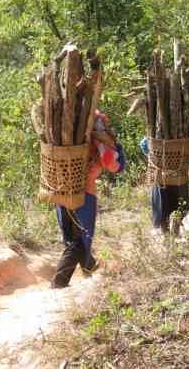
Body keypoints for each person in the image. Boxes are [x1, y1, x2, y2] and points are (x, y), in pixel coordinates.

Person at [32, 99, 125, 288]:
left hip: (60, 192)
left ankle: (89, 267)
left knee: (70, 238)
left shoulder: (56, 124)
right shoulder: (95, 130)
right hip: (84, 195)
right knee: (81, 240)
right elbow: (112, 164)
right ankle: (59, 282)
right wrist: (119, 152)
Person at [140, 136, 189, 236]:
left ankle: (167, 235)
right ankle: (172, 232)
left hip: (162, 179)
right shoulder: (187, 136)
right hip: (178, 180)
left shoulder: (153, 136)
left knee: (163, 208)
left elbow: (145, 147)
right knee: (182, 205)